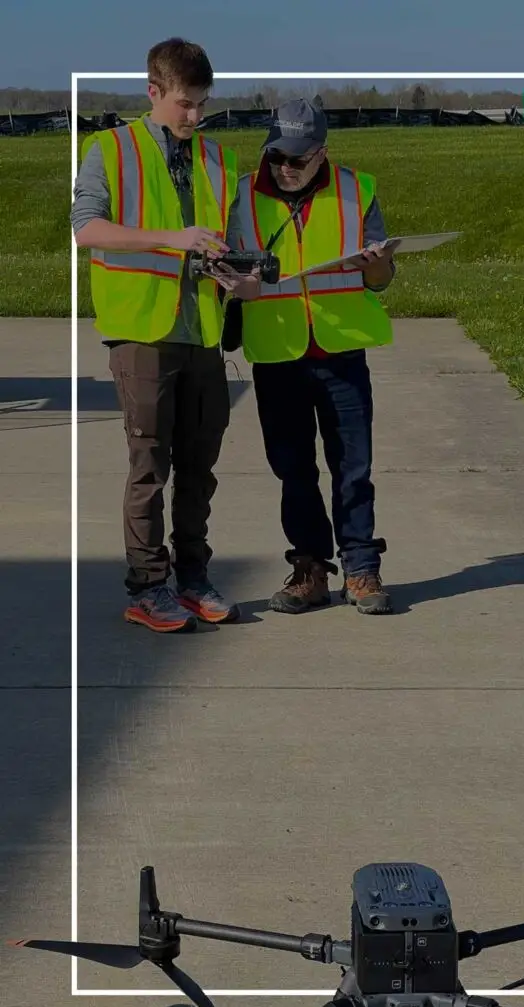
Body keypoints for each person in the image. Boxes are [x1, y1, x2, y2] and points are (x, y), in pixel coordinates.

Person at [71, 38, 259, 633]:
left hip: (203, 332)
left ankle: (194, 577)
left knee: (200, 468)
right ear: (153, 91)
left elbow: (223, 235)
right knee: (149, 467)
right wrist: (170, 238)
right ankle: (147, 586)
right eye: (184, 103)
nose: (194, 116)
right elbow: (87, 230)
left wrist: (239, 276)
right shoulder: (109, 149)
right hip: (141, 333)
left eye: (202, 104)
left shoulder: (218, 158)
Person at [230, 98, 398, 616]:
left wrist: (375, 267)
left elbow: (382, 279)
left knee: (353, 466)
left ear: (322, 153)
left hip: (341, 349)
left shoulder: (357, 189)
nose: (285, 167)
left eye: (298, 158)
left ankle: (361, 568)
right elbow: (224, 267)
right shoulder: (242, 195)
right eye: (277, 154)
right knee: (292, 467)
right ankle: (309, 569)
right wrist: (237, 286)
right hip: (277, 352)